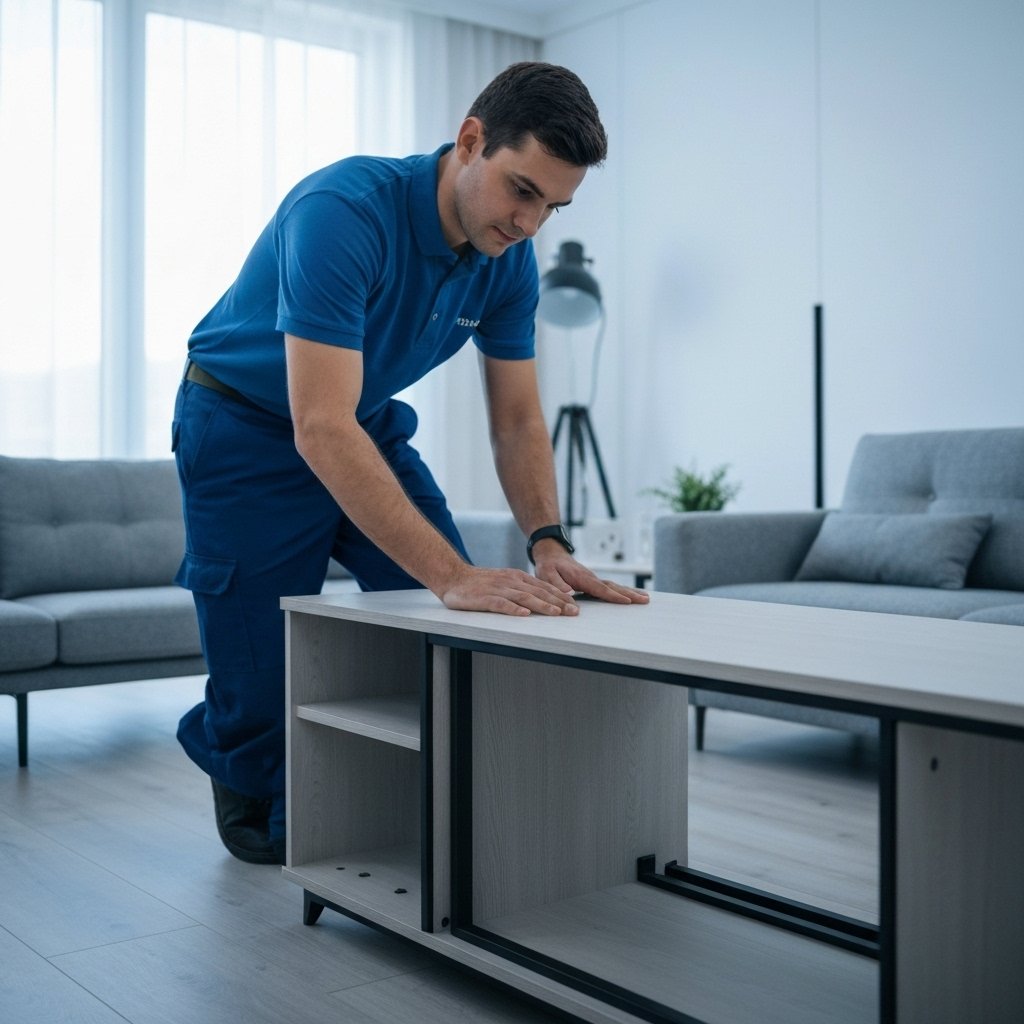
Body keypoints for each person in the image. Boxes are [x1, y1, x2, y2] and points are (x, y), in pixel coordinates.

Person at [172, 61, 649, 866]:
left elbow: (519, 417)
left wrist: (548, 542)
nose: (531, 224)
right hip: (244, 425)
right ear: (471, 141)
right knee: (259, 670)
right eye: (522, 191)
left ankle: (394, 778)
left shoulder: (509, 259)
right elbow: (316, 426)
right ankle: (246, 764)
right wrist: (452, 572)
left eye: (554, 207)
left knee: (438, 613)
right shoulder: (341, 211)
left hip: (362, 420)